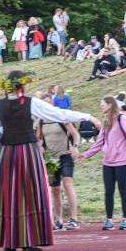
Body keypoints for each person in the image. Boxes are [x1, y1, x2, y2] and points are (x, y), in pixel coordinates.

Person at [0, 70, 98, 251]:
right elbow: (58, 114)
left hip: (7, 152)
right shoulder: (31, 103)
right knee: (31, 194)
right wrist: (87, 116)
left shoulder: (0, 105)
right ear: (22, 84)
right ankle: (29, 240)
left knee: (8, 195)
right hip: (27, 152)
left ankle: (9, 242)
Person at [76, 96, 126, 231]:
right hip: (108, 161)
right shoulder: (105, 121)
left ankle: (125, 220)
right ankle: (109, 220)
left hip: (122, 160)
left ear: (110, 105)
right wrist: (85, 155)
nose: (101, 106)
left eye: (103, 104)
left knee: (123, 189)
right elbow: (99, 142)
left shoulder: (122, 119)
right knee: (108, 191)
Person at [37, 94, 81, 231]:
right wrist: (40, 147)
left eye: (49, 103)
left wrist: (75, 147)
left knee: (68, 184)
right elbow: (38, 139)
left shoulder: (61, 117)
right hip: (51, 159)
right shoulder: (40, 121)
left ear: (53, 104)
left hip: (65, 155)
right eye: (44, 103)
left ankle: (74, 219)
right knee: (55, 189)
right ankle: (58, 220)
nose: (47, 106)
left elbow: (75, 134)